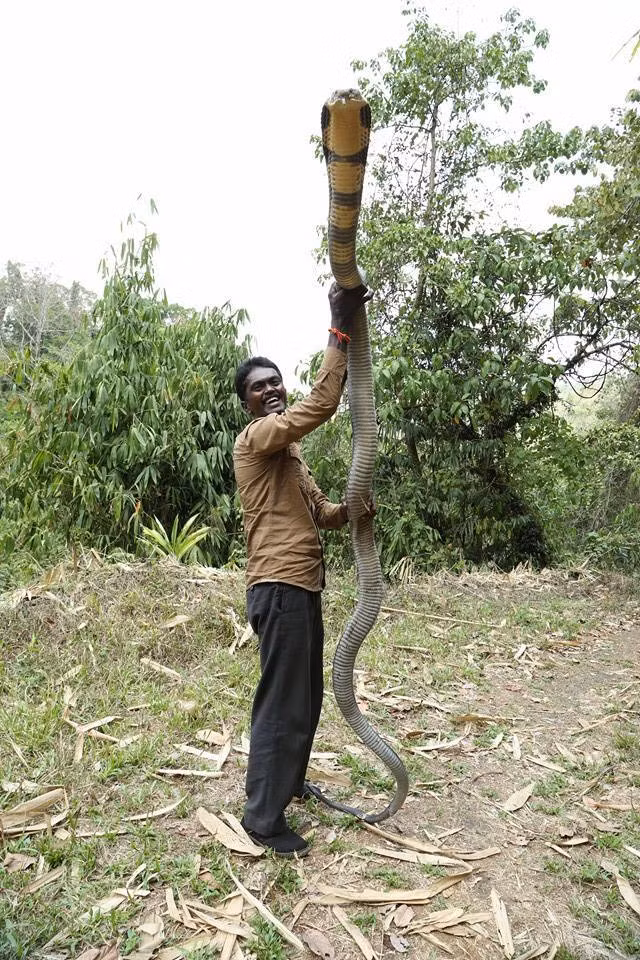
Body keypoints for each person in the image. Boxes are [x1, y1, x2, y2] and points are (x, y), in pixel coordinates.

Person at [233, 282, 372, 858]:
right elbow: (321, 406)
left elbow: (323, 515)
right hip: (278, 586)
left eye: (274, 382)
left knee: (306, 697)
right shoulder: (258, 440)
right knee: (282, 701)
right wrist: (338, 332)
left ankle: (288, 786)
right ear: (247, 403)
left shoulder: (289, 457)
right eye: (257, 387)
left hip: (302, 587)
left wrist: (356, 507)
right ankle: (263, 820)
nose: (269, 391)